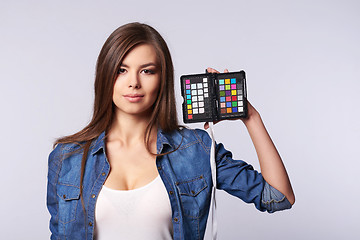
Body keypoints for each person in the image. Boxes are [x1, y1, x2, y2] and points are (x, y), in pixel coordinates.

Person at [46, 22, 295, 240]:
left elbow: (279, 197)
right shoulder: (67, 157)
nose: (134, 81)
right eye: (122, 70)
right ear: (105, 75)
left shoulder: (196, 150)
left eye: (147, 70)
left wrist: (250, 117)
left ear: (162, 79)